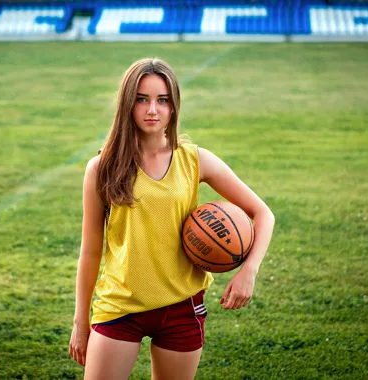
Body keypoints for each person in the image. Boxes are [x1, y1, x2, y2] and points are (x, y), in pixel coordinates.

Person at [69, 57, 275, 380]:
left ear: (173, 106)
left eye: (162, 100)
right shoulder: (102, 167)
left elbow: (263, 213)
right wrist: (81, 321)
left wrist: (249, 270)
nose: (153, 109)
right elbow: (90, 251)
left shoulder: (194, 159)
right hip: (121, 305)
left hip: (181, 306)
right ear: (127, 104)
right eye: (142, 99)